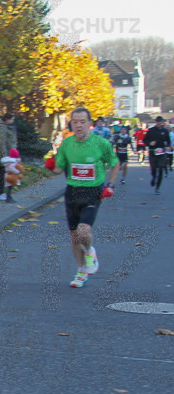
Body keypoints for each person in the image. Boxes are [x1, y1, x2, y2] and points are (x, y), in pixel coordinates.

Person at [44, 106, 118, 288]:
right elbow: (59, 169)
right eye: (75, 122)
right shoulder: (67, 144)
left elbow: (115, 164)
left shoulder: (101, 144)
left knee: (83, 231)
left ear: (89, 123)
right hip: (72, 192)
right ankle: (81, 271)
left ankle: (90, 251)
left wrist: (110, 185)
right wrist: (51, 167)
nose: (78, 125)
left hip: (93, 192)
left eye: (82, 122)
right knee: (75, 236)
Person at [0, 112, 18, 201]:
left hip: (7, 154)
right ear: (7, 119)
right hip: (1, 154)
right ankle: (0, 193)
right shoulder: (1, 128)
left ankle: (3, 192)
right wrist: (5, 156)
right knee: (2, 173)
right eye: (12, 119)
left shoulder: (6, 127)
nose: (13, 121)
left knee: (4, 173)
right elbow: (2, 143)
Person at [143, 116, 172, 194]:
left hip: (162, 153)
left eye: (161, 121)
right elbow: (145, 140)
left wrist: (168, 146)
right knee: (154, 169)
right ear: (156, 122)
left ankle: (157, 188)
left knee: (161, 168)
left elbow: (168, 141)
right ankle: (154, 177)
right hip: (153, 152)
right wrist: (150, 143)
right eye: (158, 121)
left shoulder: (165, 131)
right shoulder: (151, 130)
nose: (159, 123)